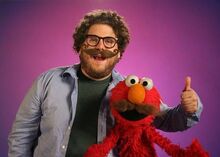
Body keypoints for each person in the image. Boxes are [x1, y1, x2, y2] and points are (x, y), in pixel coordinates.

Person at [8, 9, 202, 157]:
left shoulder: (129, 91)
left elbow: (166, 119)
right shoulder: (47, 81)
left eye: (109, 41)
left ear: (119, 52)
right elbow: (22, 135)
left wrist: (188, 109)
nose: (100, 46)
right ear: (81, 45)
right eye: (93, 39)